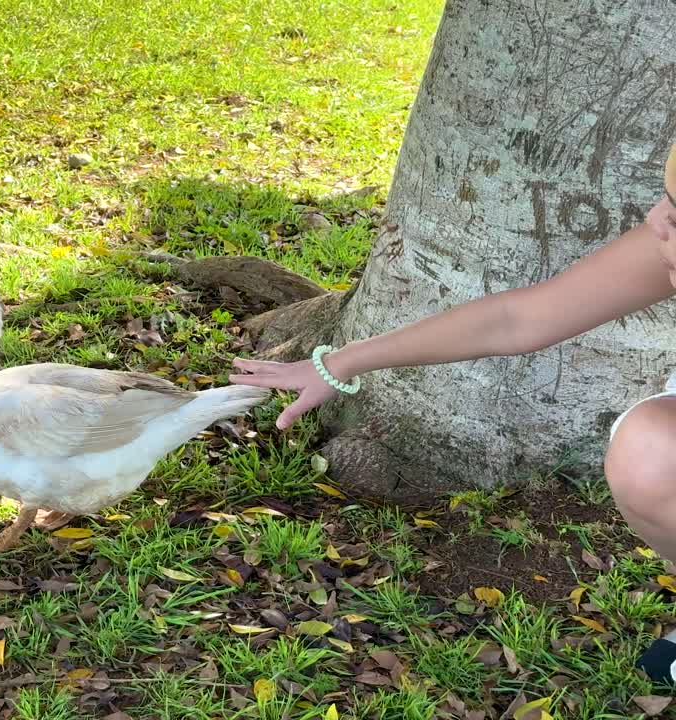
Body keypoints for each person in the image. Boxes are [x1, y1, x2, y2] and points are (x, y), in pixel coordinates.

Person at [230, 142, 676, 686]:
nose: (655, 220)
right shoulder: (664, 243)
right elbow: (515, 319)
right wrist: (336, 364)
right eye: (667, 198)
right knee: (652, 451)